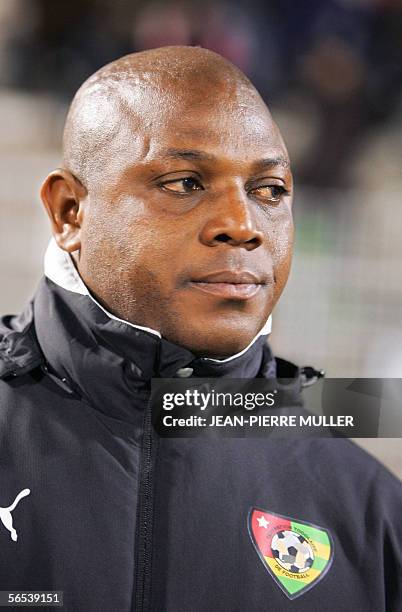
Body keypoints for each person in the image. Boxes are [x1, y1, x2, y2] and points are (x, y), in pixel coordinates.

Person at [0, 46, 400, 612]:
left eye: (270, 191)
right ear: (70, 211)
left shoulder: (369, 508)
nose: (242, 225)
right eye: (185, 183)